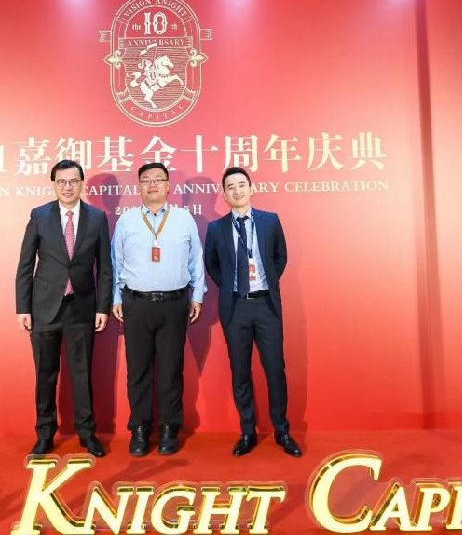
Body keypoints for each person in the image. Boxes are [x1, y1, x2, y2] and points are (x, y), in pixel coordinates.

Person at [16, 159, 112, 456]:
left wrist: (102, 307)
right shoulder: (40, 215)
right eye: (61, 182)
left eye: (73, 181)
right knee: (45, 374)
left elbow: (105, 267)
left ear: (81, 184)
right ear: (54, 185)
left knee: (81, 374)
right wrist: (23, 307)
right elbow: (25, 264)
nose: (67, 187)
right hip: (44, 308)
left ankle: (87, 433)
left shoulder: (97, 217)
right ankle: (44, 433)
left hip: (81, 308)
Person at [204, 166, 302, 457]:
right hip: (235, 307)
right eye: (230, 187)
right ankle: (247, 431)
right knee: (240, 371)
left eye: (241, 185)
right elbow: (212, 265)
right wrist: (231, 286)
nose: (237, 191)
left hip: (266, 306)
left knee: (275, 369)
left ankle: (282, 430)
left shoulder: (270, 221)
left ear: (251, 188)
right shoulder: (216, 228)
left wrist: (265, 283)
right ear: (224, 194)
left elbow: (280, 257)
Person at [111, 162, 206, 455]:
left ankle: (168, 429)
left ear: (168, 186)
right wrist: (116, 298)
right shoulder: (127, 221)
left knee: (170, 370)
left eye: (158, 179)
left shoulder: (183, 219)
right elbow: (116, 262)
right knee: (138, 370)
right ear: (139, 186)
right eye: (146, 180)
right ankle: (139, 430)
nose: (152, 184)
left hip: (174, 304)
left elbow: (196, 259)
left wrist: (197, 295)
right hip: (136, 303)